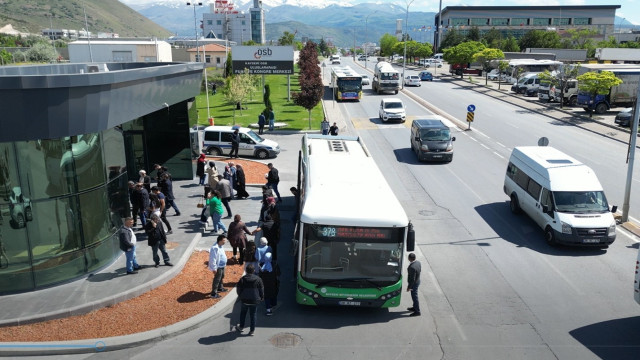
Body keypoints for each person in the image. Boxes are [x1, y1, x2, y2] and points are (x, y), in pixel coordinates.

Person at [234, 264, 264, 336]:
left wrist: (241, 296)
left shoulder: (242, 279)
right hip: (254, 300)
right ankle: (252, 331)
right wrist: (261, 297)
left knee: (243, 313)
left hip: (244, 300)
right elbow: (261, 290)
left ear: (246, 271)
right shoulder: (258, 279)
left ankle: (241, 327)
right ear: (253, 271)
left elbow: (238, 289)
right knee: (253, 315)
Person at [208, 234, 228, 299]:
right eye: (224, 240)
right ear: (220, 240)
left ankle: (220, 288)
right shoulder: (214, 248)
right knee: (217, 279)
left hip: (222, 265)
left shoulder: (221, 246)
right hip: (218, 266)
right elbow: (212, 258)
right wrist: (214, 268)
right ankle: (213, 293)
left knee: (222, 276)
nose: (225, 241)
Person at [406, 252, 421, 317]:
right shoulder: (418, 262)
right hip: (418, 281)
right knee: (414, 296)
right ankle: (414, 307)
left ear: (409, 258)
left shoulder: (412, 267)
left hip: (414, 284)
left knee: (414, 296)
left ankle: (417, 311)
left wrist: (409, 287)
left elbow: (412, 279)